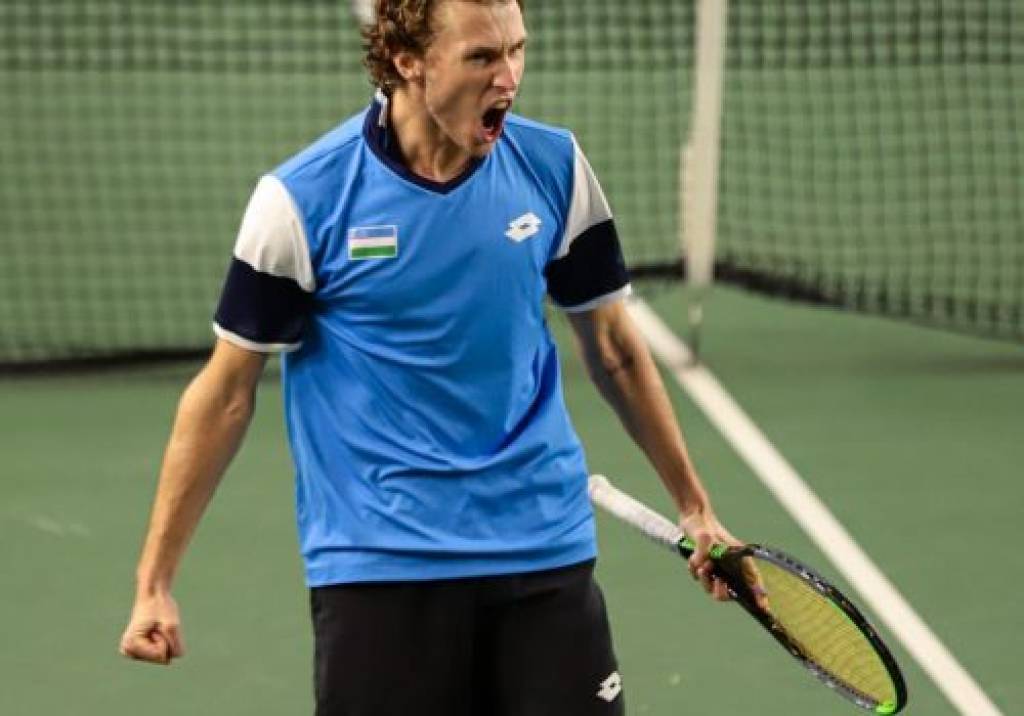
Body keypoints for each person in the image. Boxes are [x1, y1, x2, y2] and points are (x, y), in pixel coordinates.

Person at [119, 1, 741, 713]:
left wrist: (696, 509)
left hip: (541, 547)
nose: (509, 77)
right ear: (409, 60)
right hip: (383, 564)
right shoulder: (304, 199)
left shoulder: (554, 167)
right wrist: (154, 581)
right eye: (482, 56)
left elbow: (615, 349)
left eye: (517, 49)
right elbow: (226, 394)